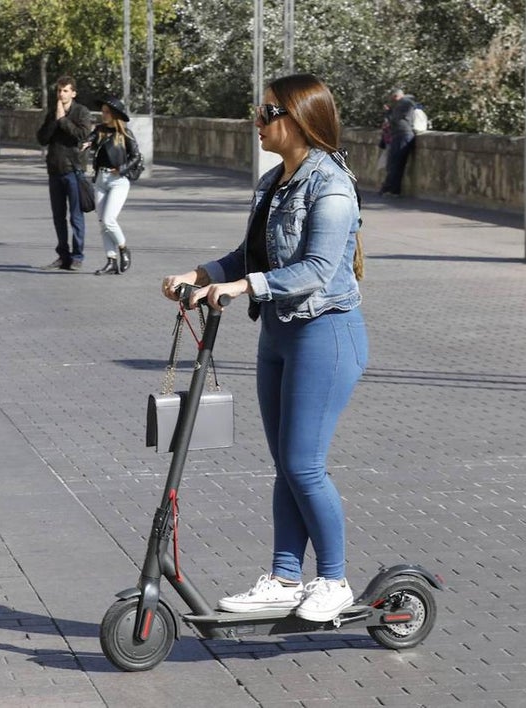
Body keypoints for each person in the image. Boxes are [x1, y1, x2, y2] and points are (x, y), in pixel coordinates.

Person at [160, 73, 367, 624]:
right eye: (259, 109)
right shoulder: (274, 182)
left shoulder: (332, 186)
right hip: (279, 334)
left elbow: (320, 269)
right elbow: (251, 253)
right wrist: (202, 272)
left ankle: (334, 580)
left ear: (299, 120)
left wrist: (242, 287)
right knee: (286, 465)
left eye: (267, 111)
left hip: (325, 334)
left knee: (304, 465)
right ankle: (282, 578)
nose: (258, 120)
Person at [36, 75, 93, 271]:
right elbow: (42, 138)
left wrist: (63, 120)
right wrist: (55, 120)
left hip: (74, 170)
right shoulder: (53, 113)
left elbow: (82, 134)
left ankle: (77, 256)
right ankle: (63, 255)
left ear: (73, 93)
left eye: (66, 90)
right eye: (59, 91)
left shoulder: (81, 112)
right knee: (58, 216)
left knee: (76, 216)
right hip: (55, 170)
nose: (62, 94)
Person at [86, 96, 141, 276]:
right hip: (101, 179)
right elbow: (91, 138)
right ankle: (111, 260)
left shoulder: (125, 134)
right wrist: (86, 143)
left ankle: (124, 248)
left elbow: (136, 157)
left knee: (109, 219)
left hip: (118, 180)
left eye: (107, 112)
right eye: (102, 111)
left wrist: (122, 168)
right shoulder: (100, 130)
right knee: (103, 222)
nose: (104, 115)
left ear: (115, 114)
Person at [379, 88, 417, 196]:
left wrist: (388, 112)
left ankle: (391, 189)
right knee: (397, 163)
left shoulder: (403, 103)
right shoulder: (406, 103)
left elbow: (395, 120)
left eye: (394, 97)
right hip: (403, 134)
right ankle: (393, 189)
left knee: (395, 163)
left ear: (397, 96)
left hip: (401, 135)